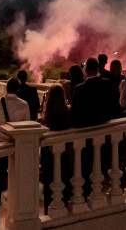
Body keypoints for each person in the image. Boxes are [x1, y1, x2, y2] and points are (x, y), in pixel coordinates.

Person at [0, 77, 30, 229]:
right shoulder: (24, 105)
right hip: (18, 148)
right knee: (18, 182)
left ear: (6, 88)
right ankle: (19, 216)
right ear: (18, 89)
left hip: (1, 147)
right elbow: (27, 127)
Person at [40, 85, 71, 214]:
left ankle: (48, 209)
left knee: (49, 182)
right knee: (64, 178)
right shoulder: (68, 111)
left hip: (49, 152)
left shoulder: (47, 113)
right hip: (64, 150)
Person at [70, 57, 121, 127]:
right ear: (97, 70)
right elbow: (113, 104)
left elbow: (74, 114)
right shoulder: (107, 84)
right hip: (106, 124)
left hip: (87, 127)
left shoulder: (79, 88)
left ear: (86, 70)